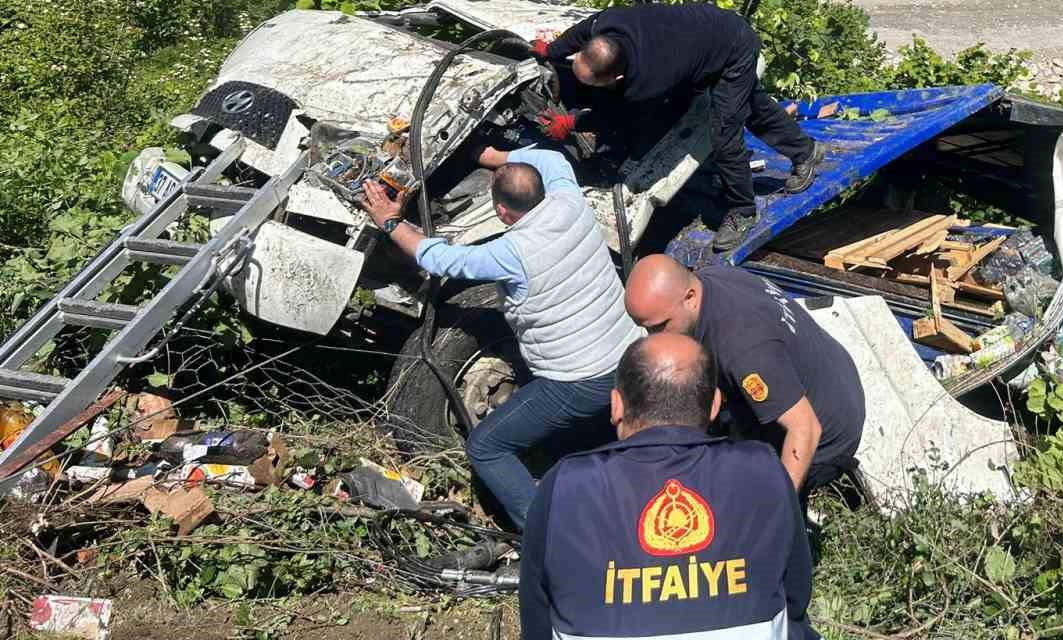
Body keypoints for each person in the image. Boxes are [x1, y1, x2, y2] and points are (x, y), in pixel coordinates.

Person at [360, 144, 641, 529]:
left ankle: (545, 533)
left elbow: (441, 259)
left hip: (580, 381)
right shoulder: (570, 201)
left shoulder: (512, 252)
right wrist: (487, 154)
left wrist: (390, 222)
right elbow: (554, 159)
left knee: (487, 446)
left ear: (502, 212)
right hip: (630, 355)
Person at [520, 333, 819, 640]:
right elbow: (796, 596)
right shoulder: (763, 468)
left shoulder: (565, 485)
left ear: (616, 405)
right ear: (715, 405)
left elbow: (536, 620)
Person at [533, 3, 824, 252]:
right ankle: (806, 152)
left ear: (617, 77)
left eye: (594, 84)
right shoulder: (608, 24)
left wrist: (572, 122)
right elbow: (582, 31)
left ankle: (743, 211)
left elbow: (618, 115)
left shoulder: (646, 82)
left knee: (724, 133)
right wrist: (551, 51)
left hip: (732, 48)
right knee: (755, 107)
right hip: (707, 34)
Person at [623, 255, 864, 497]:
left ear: (690, 298)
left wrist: (775, 511)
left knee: (749, 501)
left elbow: (805, 429)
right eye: (644, 327)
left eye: (659, 326)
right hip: (830, 372)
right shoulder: (711, 278)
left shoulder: (742, 350)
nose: (653, 337)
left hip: (825, 438)